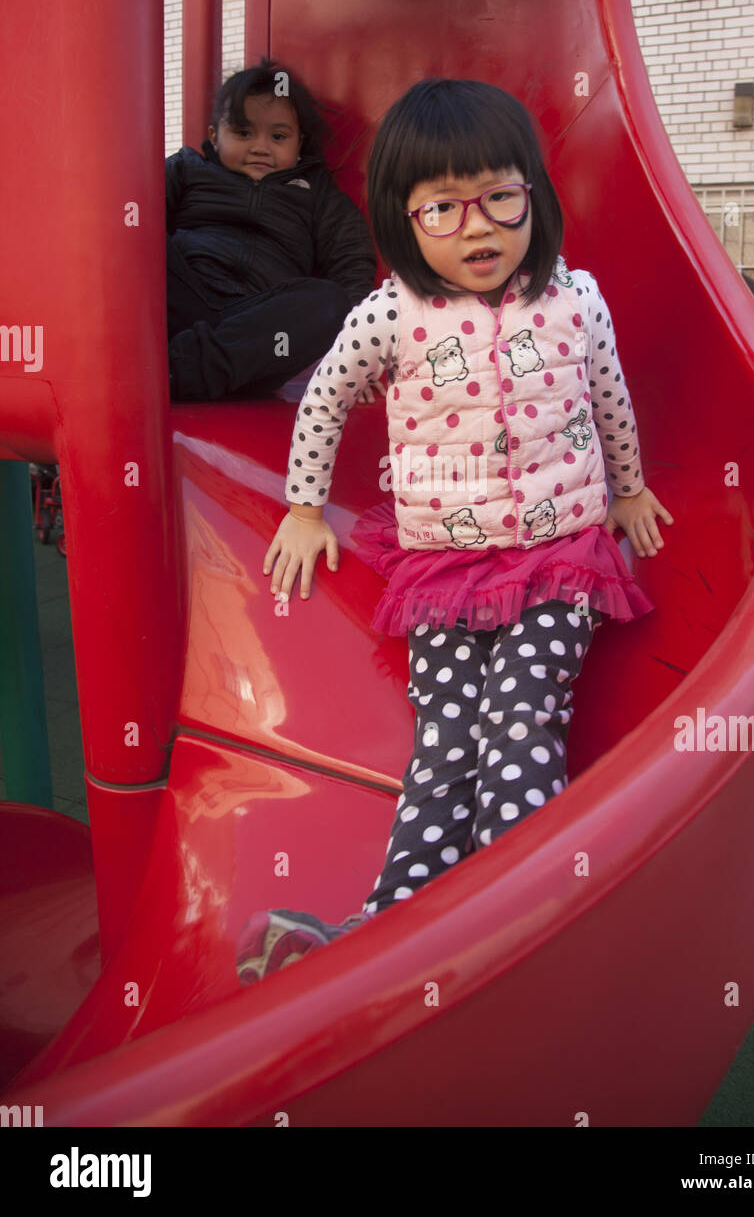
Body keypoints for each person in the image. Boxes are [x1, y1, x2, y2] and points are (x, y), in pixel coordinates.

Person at [235, 77, 673, 983]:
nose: (478, 228)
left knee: (520, 717)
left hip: (559, 556)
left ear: (533, 197)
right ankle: (388, 927)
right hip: (445, 565)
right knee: (445, 737)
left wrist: (629, 492)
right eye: (443, 209)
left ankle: (519, 906)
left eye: (498, 198)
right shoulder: (392, 314)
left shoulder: (574, 299)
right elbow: (322, 398)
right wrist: (304, 506)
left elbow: (611, 398)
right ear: (403, 218)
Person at [166, 58, 378, 400]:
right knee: (137, 236)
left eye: (278, 136)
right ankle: (182, 367)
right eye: (243, 132)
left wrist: (359, 356)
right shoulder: (188, 170)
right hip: (184, 301)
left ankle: (180, 373)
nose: (260, 146)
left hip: (258, 330)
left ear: (299, 144)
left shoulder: (317, 194)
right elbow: (132, 221)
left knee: (328, 302)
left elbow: (350, 263)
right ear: (214, 137)